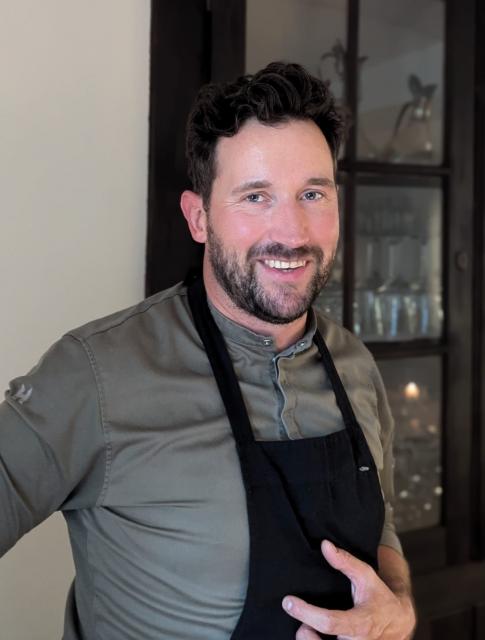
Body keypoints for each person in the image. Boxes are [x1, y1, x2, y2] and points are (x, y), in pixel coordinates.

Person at [0, 62, 416, 639]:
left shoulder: (354, 364)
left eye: (312, 194)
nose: (292, 232)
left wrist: (399, 605)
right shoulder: (97, 374)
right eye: (255, 196)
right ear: (198, 217)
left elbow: (382, 523)